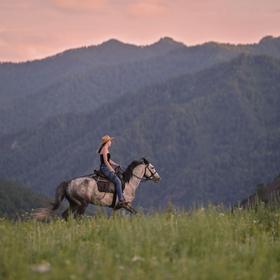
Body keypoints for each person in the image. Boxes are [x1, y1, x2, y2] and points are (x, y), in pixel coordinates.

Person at [97, 135, 127, 206]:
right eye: (110, 141)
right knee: (118, 181)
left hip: (106, 167)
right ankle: (121, 200)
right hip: (104, 168)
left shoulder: (106, 148)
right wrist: (111, 169)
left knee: (119, 177)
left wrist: (116, 165)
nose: (111, 142)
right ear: (107, 142)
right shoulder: (104, 149)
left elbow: (109, 160)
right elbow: (106, 161)